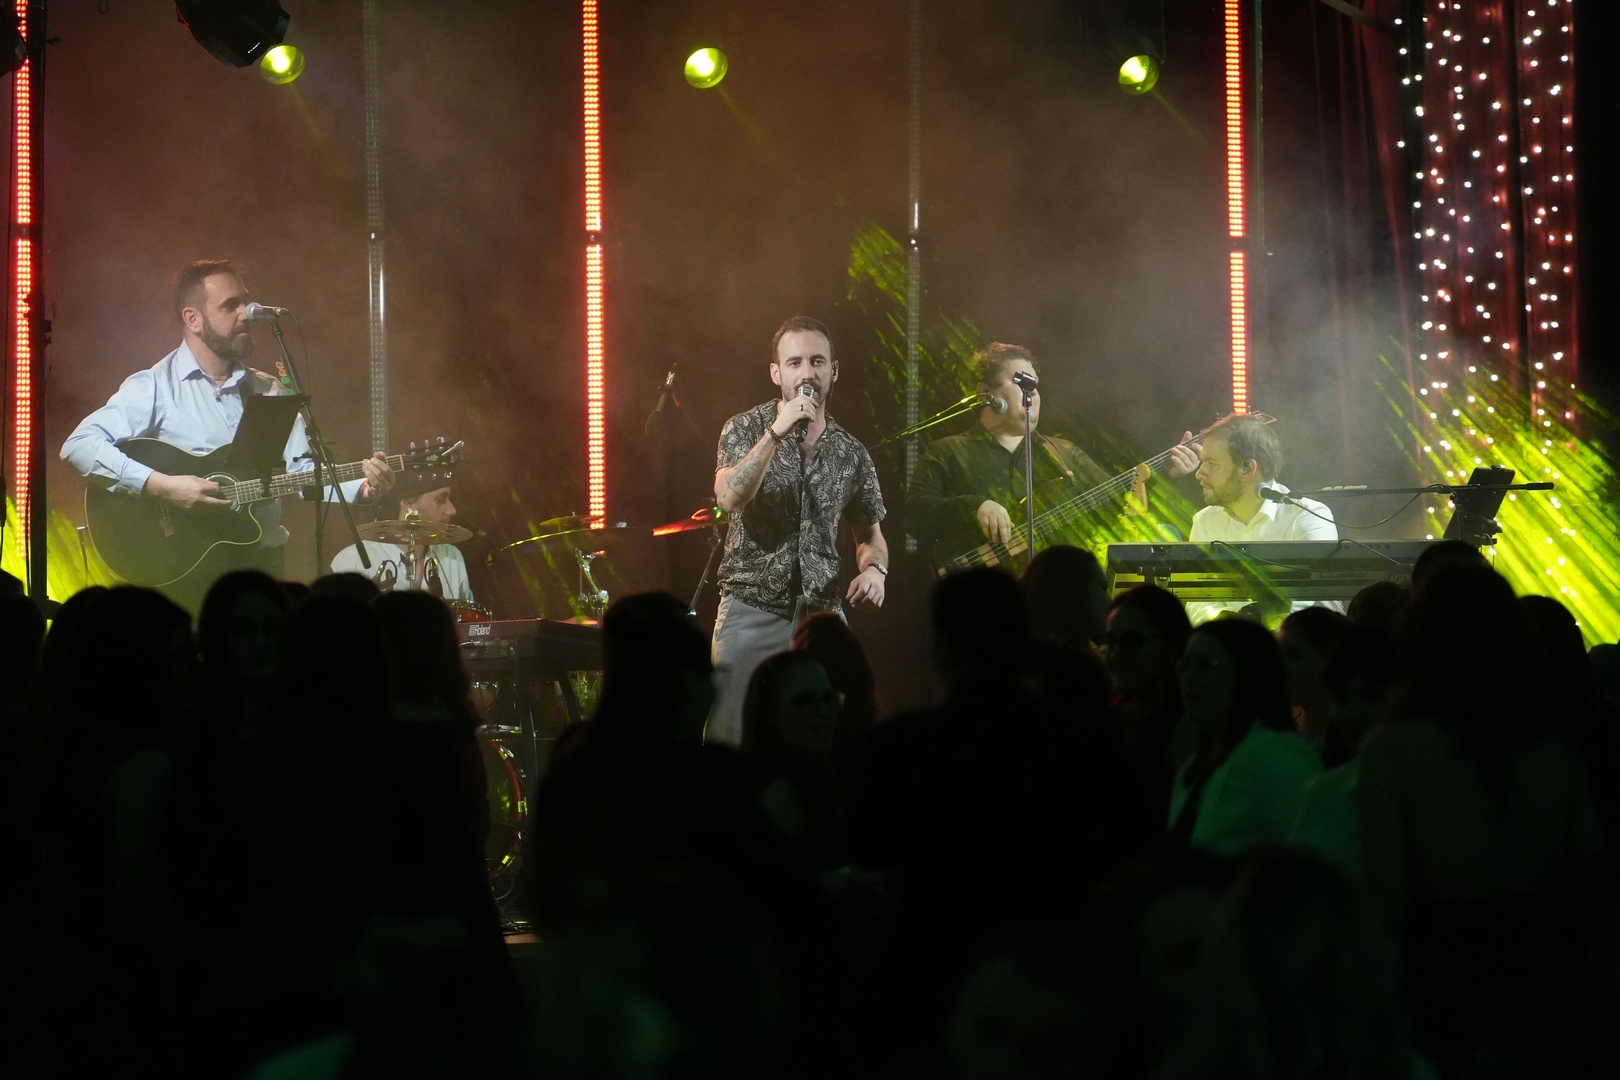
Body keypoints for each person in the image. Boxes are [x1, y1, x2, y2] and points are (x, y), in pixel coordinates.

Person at [61, 260, 394, 612]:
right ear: (193, 319)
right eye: (230, 305)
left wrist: (363, 488)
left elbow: (302, 473)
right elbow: (79, 446)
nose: (246, 314)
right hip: (190, 570)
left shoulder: (267, 390)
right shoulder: (155, 387)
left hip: (263, 565)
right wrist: (163, 487)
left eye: (245, 302)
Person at [708, 316, 889, 747]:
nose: (807, 373)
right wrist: (776, 432)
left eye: (817, 361)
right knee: (732, 739)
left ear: (834, 371)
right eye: (794, 363)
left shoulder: (851, 453)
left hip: (821, 617)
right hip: (752, 609)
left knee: (832, 738)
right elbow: (729, 498)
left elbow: (870, 534)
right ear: (776, 373)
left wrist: (875, 570)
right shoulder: (744, 428)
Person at [908, 342, 1194, 570]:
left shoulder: (1064, 452)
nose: (1032, 393)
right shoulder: (948, 450)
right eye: (1021, 382)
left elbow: (1119, 502)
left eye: (1034, 385)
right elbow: (915, 515)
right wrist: (975, 506)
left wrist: (1168, 475)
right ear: (985, 393)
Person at [1168, 617, 1322, 855]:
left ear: (1248, 673)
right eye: (1184, 664)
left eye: (1206, 664)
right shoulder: (1194, 767)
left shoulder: (1275, 759)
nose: (1187, 676)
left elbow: (1313, 859)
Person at [1171, 413, 1337, 624]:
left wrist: (1244, 629)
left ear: (1247, 469)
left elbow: (1304, 601)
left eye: (1212, 463)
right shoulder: (1205, 522)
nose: (1199, 473)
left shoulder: (1309, 516)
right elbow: (1198, 600)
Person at [329, 470, 474, 603]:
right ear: (407, 502)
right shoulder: (352, 561)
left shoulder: (452, 556)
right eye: (440, 500)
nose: (452, 510)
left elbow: (466, 618)